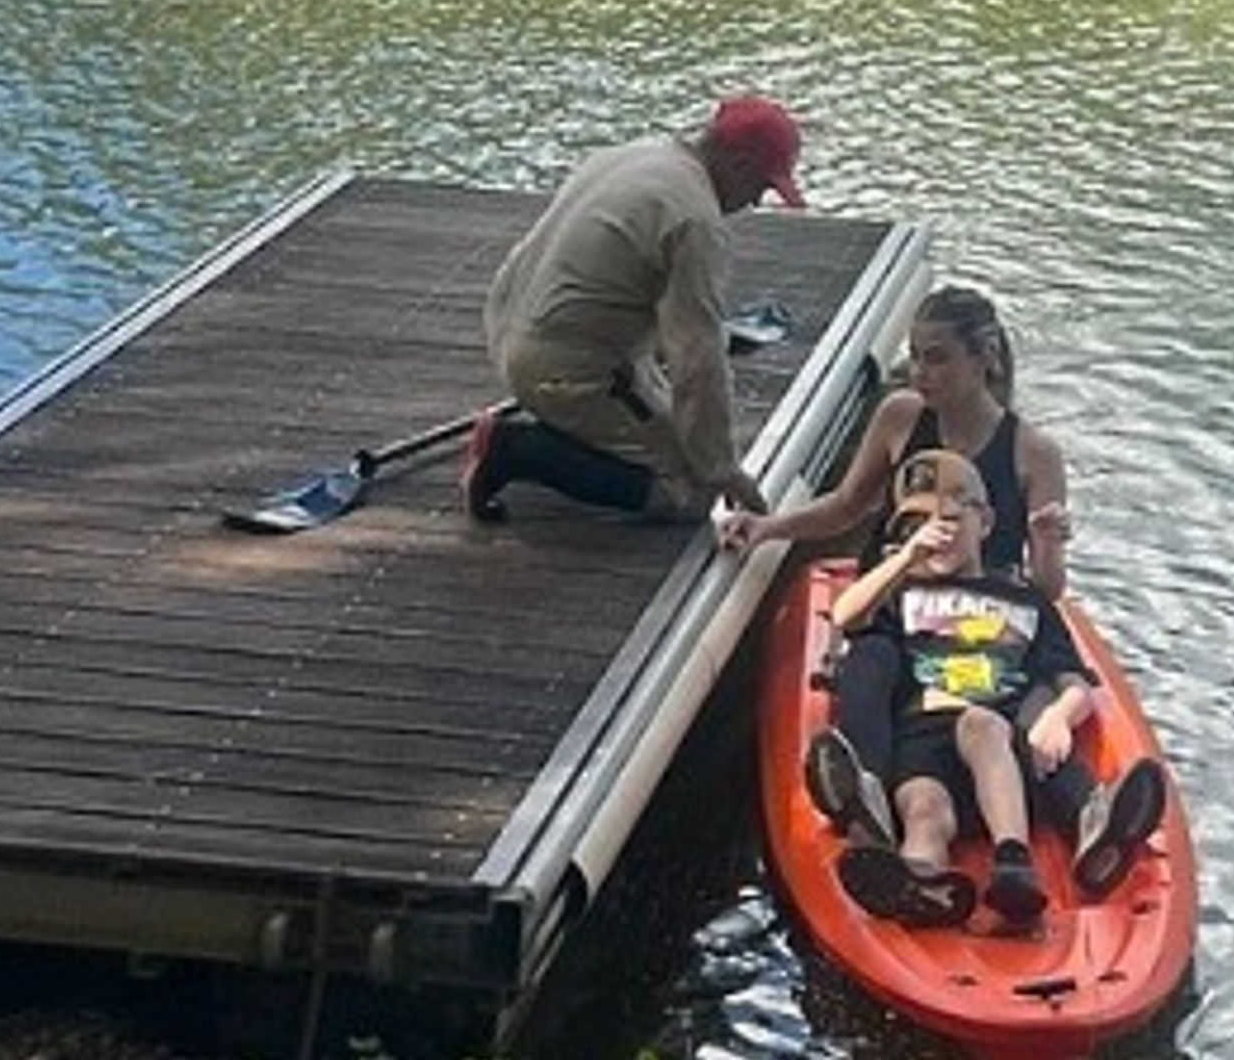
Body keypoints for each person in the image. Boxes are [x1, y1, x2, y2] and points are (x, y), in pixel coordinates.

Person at [716, 282, 1071, 822]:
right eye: (915, 357)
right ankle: (868, 790)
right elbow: (847, 507)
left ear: (984, 358)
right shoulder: (900, 416)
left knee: (1033, 690)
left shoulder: (1034, 452)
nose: (919, 373)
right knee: (873, 661)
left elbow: (1045, 592)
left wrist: (1047, 544)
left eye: (937, 360)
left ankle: (1068, 806)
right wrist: (768, 527)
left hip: (984, 612)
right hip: (895, 597)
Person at [821, 447, 1163, 929]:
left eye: (949, 520)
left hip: (1004, 747)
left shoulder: (1024, 602)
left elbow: (1075, 682)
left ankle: (1018, 862)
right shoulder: (899, 595)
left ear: (984, 523)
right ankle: (920, 884)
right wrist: (904, 561)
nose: (934, 534)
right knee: (924, 809)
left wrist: (1059, 716)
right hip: (924, 739)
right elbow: (845, 615)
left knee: (980, 725)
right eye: (914, 525)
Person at [466, 93, 803, 523]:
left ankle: (569, 418)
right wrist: (722, 470)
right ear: (738, 166)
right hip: (563, 364)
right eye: (760, 188)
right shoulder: (695, 221)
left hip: (508, 324)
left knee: (665, 414)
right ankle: (515, 450)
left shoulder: (638, 154)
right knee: (686, 492)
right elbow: (697, 359)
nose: (755, 203)